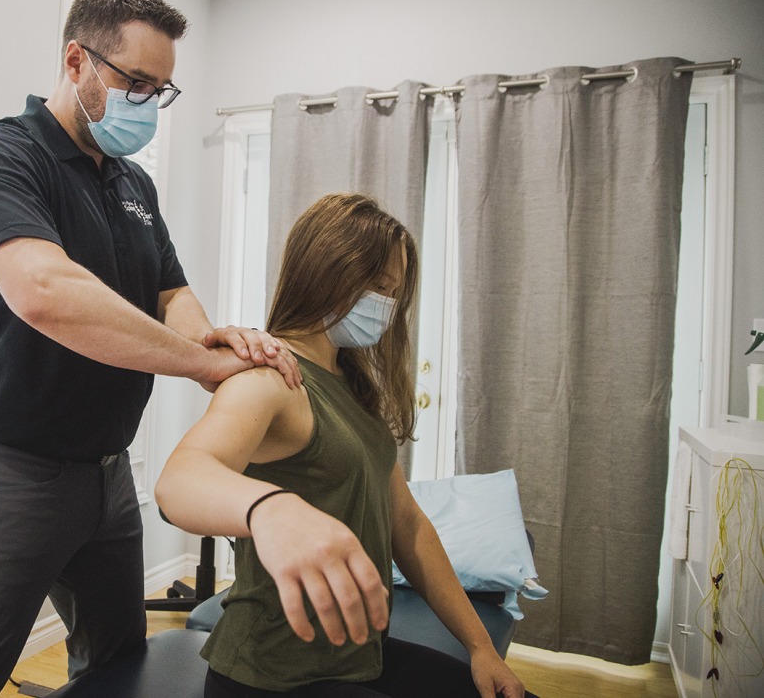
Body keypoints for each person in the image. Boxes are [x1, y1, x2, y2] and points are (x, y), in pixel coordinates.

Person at [0, 0, 301, 698]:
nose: (148, 102)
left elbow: (170, 291)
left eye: (162, 89)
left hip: (108, 479)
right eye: (136, 82)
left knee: (119, 668)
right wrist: (196, 365)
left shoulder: (132, 186)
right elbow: (47, 294)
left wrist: (214, 341)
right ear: (77, 61)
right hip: (9, 476)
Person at [155, 193, 537, 698]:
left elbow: (408, 523)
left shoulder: (354, 387)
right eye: (377, 285)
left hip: (360, 656)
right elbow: (178, 481)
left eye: (393, 291)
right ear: (327, 271)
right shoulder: (272, 379)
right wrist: (270, 509)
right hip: (272, 673)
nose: (386, 303)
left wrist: (479, 647)